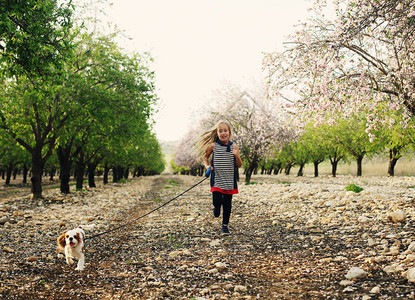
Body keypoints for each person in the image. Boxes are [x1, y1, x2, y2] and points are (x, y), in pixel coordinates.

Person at [198, 121, 243, 235]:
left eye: (225, 131)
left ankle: (225, 226)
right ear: (217, 133)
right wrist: (207, 166)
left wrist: (237, 156)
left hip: (229, 180)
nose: (223, 133)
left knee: (228, 203)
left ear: (229, 132)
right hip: (217, 178)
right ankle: (217, 207)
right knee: (217, 200)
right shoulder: (213, 146)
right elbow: (205, 157)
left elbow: (239, 165)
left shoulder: (234, 146)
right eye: (220, 131)